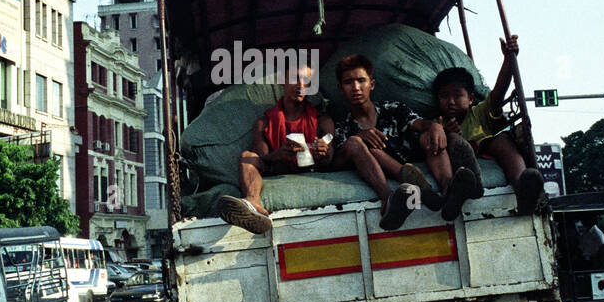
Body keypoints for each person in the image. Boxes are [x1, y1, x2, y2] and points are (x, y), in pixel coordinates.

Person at [331, 54, 473, 231]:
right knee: (365, 147)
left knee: (428, 136)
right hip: (383, 168)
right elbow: (336, 161)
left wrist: (434, 126)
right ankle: (399, 193)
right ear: (340, 89)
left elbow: (419, 123)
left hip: (410, 156)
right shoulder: (344, 126)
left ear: (372, 85)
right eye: (348, 82)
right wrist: (360, 137)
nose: (356, 88)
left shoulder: (392, 108)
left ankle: (448, 190)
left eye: (361, 80)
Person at [431, 35, 545, 216]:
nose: (451, 101)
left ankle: (522, 189)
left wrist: (509, 58)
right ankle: (467, 184)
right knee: (452, 139)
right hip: (462, 165)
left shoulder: (479, 112)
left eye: (457, 95)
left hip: (484, 148)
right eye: (444, 96)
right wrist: (444, 133)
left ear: (470, 99)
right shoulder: (437, 123)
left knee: (503, 141)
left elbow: (500, 90)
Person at [217, 65, 336, 235]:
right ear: (282, 81)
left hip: (311, 168)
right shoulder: (263, 123)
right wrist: (279, 154)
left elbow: (331, 158)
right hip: (278, 167)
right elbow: (262, 158)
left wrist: (323, 152)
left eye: (307, 81)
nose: (300, 84)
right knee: (247, 156)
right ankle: (253, 204)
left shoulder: (322, 120)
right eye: (295, 78)